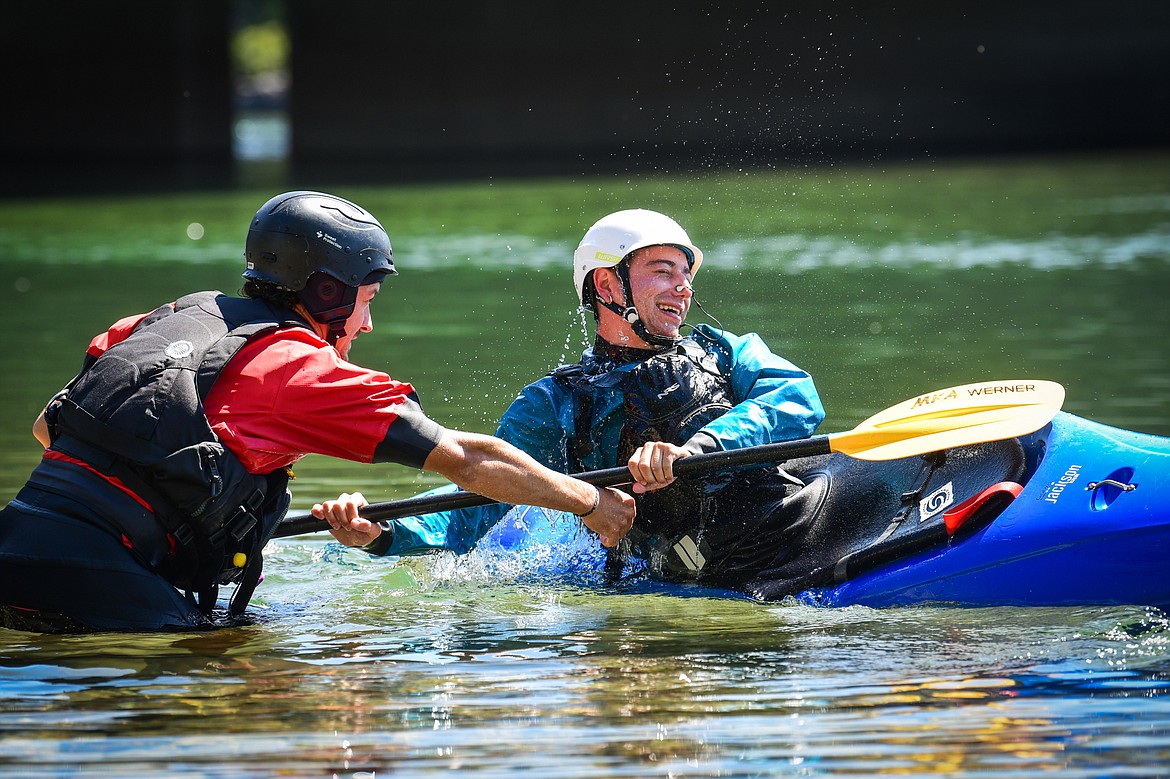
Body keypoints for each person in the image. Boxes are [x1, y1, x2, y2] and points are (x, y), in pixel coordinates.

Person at [0, 191, 635, 633]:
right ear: (327, 292)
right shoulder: (300, 369)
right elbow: (468, 459)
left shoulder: (159, 320)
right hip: (96, 574)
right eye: (366, 298)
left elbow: (47, 429)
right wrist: (589, 502)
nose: (368, 320)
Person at [319, 208, 825, 594]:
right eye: (664, 271)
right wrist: (384, 532)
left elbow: (796, 397)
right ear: (608, 283)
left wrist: (701, 445)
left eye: (686, 275)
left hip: (789, 528)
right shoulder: (557, 402)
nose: (684, 288)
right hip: (691, 570)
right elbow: (481, 499)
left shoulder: (726, 351)